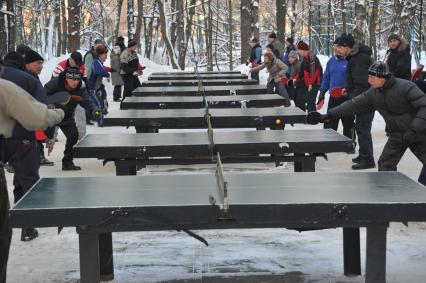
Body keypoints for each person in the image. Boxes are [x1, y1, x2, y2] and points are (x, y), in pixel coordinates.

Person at [0, 78, 64, 283]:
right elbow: (37, 117)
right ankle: (29, 225)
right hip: (23, 141)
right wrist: (59, 113)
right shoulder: (6, 86)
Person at [321, 61, 426, 171]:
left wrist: (414, 129)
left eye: (372, 77)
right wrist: (331, 114)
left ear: (382, 78)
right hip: (397, 135)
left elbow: (424, 106)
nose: (368, 80)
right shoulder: (374, 92)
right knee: (385, 165)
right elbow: (354, 104)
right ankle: (389, 188)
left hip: (418, 133)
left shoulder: (405, 87)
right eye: (368, 76)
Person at [0, 52, 59, 241]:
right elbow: (43, 110)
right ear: (24, 64)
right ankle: (27, 227)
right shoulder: (28, 80)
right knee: (27, 181)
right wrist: (49, 136)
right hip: (22, 138)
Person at [334, 33, 375, 170]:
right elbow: (356, 82)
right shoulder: (355, 57)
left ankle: (368, 159)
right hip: (362, 97)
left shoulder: (359, 59)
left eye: (340, 47)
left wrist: (352, 97)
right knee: (360, 127)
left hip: (366, 99)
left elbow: (363, 84)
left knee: (363, 129)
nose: (337, 50)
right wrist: (348, 90)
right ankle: (364, 155)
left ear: (347, 47)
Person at [45, 67, 98, 170]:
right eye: (72, 80)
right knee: (41, 138)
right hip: (51, 115)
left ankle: (67, 162)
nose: (75, 82)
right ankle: (38, 157)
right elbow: (43, 95)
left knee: (73, 136)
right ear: (66, 79)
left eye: (77, 80)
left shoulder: (80, 87)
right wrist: (49, 106)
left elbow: (86, 100)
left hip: (67, 116)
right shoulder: (55, 83)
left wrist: (94, 110)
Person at [317, 40, 354, 140]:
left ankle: (350, 143)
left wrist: (349, 91)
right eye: (336, 47)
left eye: (341, 47)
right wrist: (322, 92)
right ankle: (329, 143)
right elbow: (326, 77)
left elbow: (355, 80)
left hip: (347, 98)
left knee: (348, 123)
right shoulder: (331, 61)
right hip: (333, 98)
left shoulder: (350, 61)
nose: (338, 50)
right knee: (329, 122)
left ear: (346, 49)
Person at [24, 50, 55, 166]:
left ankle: (39, 155)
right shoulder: (25, 77)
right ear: (28, 64)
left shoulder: (34, 77)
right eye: (38, 63)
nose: (41, 66)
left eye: (42, 63)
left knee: (38, 133)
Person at [88, 45, 112, 126]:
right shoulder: (95, 62)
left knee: (100, 104)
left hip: (96, 88)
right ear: (100, 55)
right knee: (97, 105)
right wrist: (107, 74)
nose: (106, 57)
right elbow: (99, 71)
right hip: (91, 89)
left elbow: (102, 69)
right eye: (105, 55)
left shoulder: (99, 62)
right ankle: (100, 121)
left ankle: (97, 119)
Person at [296, 41, 323, 112]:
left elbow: (314, 72)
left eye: (299, 50)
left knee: (311, 100)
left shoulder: (312, 57)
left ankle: (312, 118)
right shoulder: (305, 57)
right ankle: (303, 114)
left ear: (303, 50)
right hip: (309, 82)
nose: (298, 52)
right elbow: (302, 71)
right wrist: (296, 79)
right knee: (301, 97)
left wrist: (311, 84)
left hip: (316, 82)